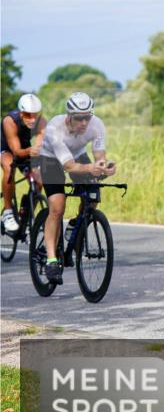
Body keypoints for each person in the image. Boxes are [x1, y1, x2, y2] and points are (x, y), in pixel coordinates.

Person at [37, 92, 117, 282]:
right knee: (57, 207)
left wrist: (104, 167)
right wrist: (91, 168)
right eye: (79, 118)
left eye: (87, 117)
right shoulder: (54, 128)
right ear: (69, 116)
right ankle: (51, 259)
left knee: (93, 194)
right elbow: (69, 166)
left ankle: (75, 225)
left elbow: (99, 156)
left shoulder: (96, 124)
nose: (84, 123)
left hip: (78, 154)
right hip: (51, 160)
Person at [1, 93, 47, 233]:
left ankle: (26, 214)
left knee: (39, 180)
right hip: (6, 149)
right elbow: (17, 152)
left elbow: (40, 144)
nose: (32, 119)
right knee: (10, 168)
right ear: (21, 113)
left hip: (25, 148)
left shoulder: (41, 121)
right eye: (28, 115)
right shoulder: (10, 121)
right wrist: (31, 151)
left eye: (35, 115)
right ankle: (8, 211)